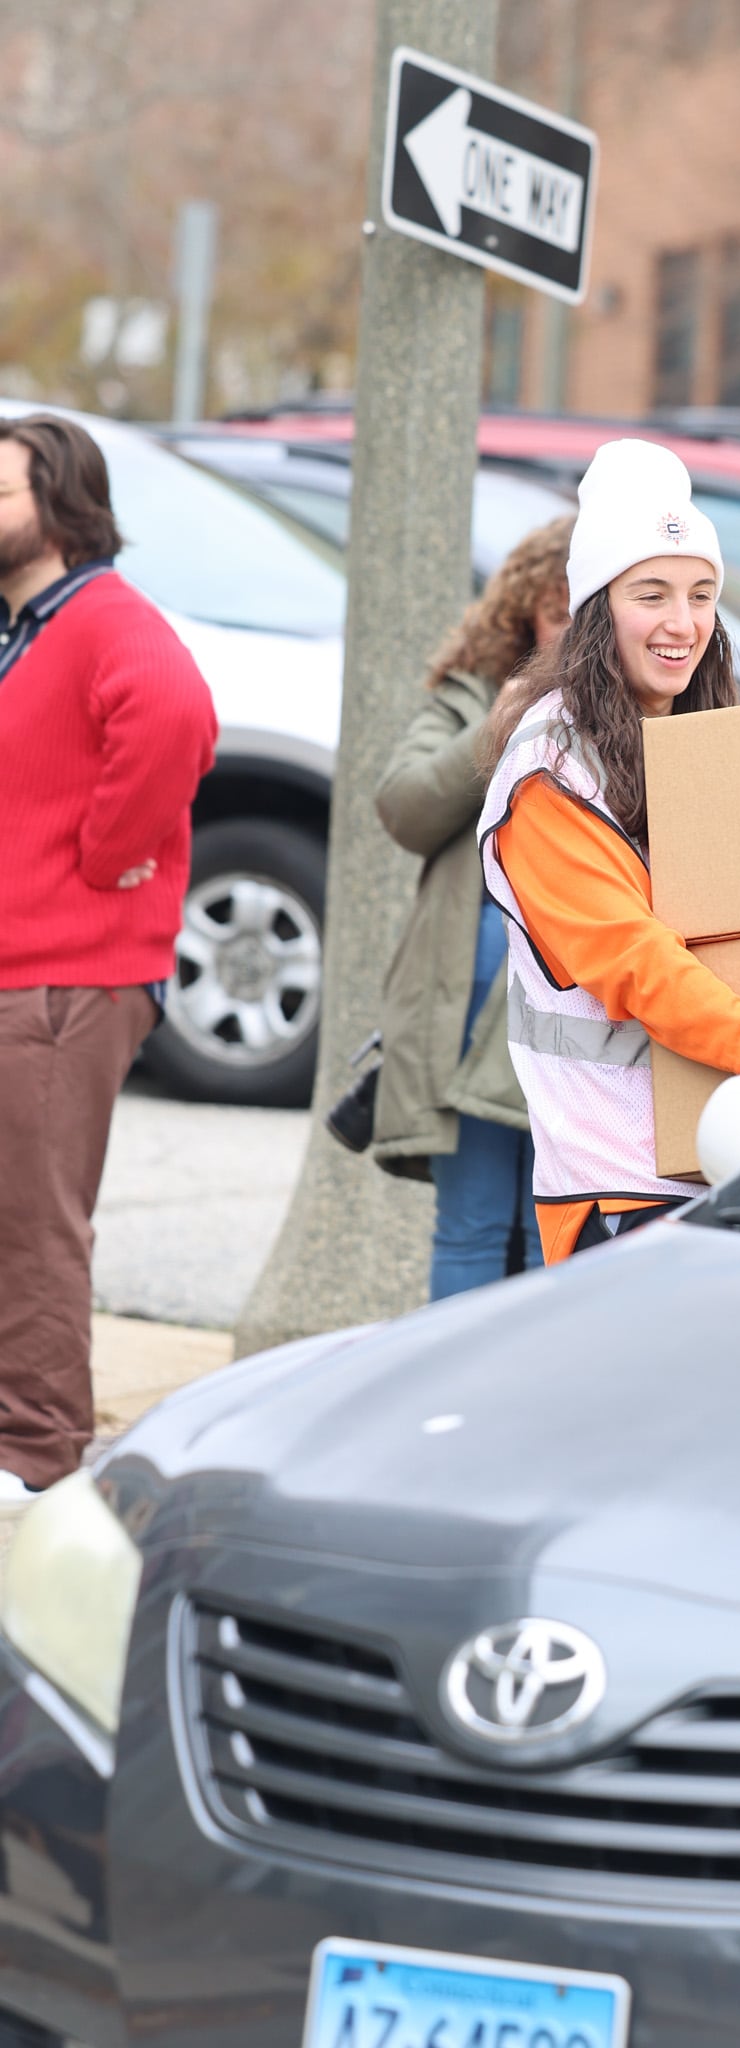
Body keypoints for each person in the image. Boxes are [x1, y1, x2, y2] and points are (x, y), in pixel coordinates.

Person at [477, 439, 740, 1265]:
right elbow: (638, 968)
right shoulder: (551, 774)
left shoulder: (695, 741)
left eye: (701, 595)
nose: (683, 625)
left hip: (738, 1156)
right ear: (595, 609)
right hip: (624, 1187)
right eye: (651, 595)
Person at [0, 413, 217, 1498]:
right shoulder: (28, 624)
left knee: (36, 1221)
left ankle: (36, 1457)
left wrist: (108, 855)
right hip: (25, 968)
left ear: (63, 508)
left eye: (1, 494)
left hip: (66, 976)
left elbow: (176, 715)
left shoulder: (103, 618)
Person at [374, 515, 574, 1298]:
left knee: (553, 1229)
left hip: (575, 1009)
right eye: (557, 616)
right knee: (473, 1225)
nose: (569, 636)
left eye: (586, 616)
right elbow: (404, 809)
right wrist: (503, 722)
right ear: (523, 615)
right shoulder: (472, 698)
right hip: (467, 1005)